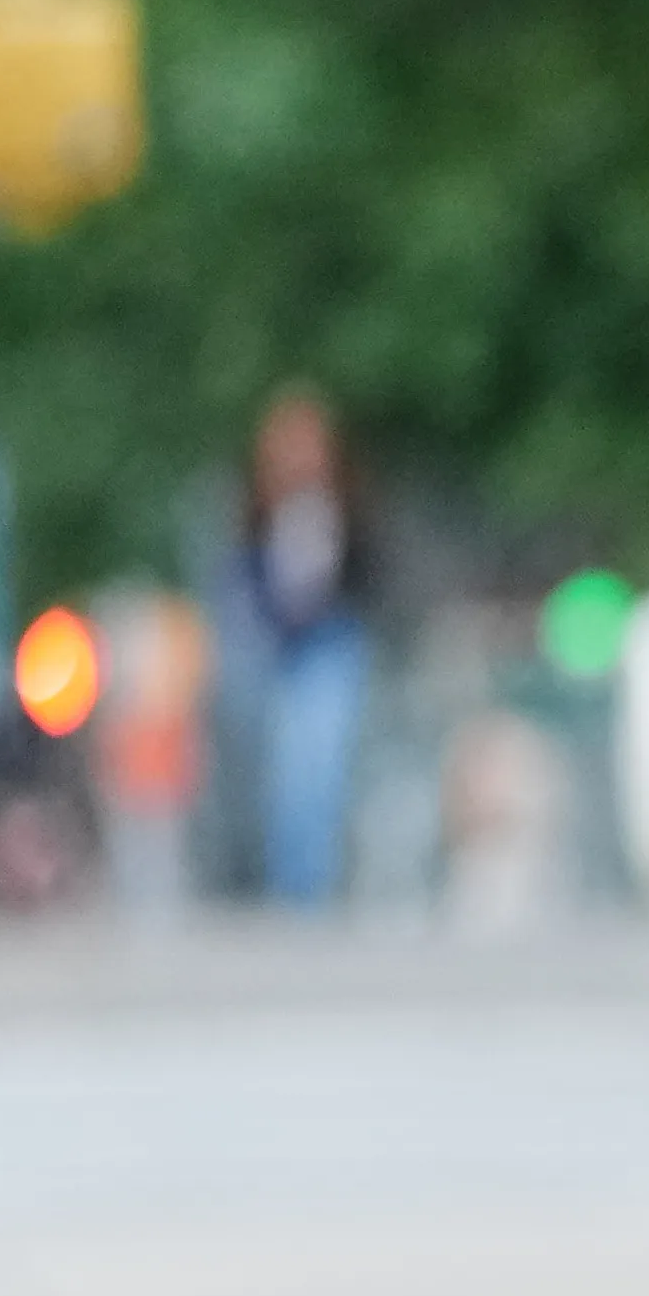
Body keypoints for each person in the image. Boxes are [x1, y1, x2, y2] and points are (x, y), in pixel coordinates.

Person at [216, 386, 372, 909]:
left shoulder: (346, 509)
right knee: (285, 774)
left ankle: (315, 883)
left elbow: (366, 579)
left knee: (319, 767)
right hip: (279, 654)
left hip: (331, 645)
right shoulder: (259, 514)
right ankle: (291, 883)